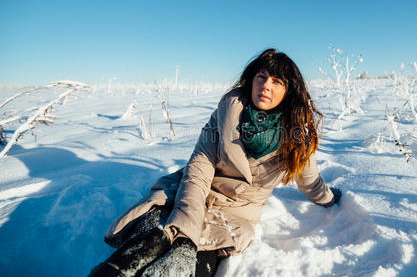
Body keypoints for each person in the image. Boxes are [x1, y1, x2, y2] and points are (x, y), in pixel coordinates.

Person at [89, 49, 342, 277]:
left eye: (277, 81)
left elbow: (310, 181)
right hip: (191, 190)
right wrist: (185, 233)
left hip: (235, 210)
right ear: (251, 80)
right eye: (261, 77)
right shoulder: (226, 112)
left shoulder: (298, 135)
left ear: (289, 92)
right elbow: (200, 166)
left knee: (200, 249)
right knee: (159, 229)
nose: (266, 85)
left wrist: (330, 198)